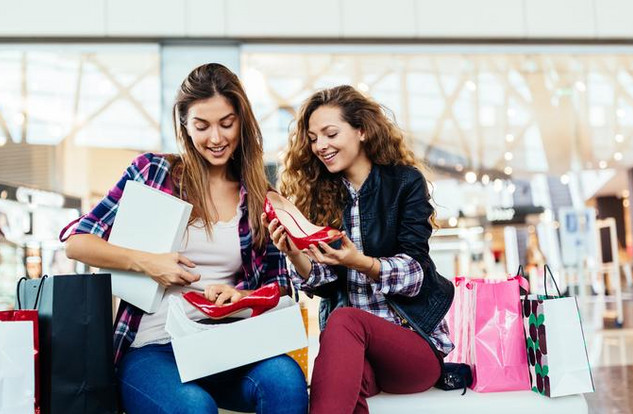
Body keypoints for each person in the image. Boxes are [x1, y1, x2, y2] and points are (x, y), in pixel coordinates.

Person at [64, 63, 307, 414]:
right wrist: (149, 263)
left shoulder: (257, 196)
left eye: (227, 123)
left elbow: (279, 285)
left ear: (242, 122)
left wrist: (240, 297)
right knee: (194, 407)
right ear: (184, 126)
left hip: (229, 343)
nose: (216, 138)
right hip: (153, 346)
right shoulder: (153, 172)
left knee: (286, 380)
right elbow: (77, 241)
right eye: (202, 125)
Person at [264, 85, 454, 414]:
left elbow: (417, 274)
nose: (320, 145)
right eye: (312, 138)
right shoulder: (322, 193)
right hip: (357, 352)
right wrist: (294, 253)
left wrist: (361, 262)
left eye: (330, 133)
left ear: (361, 130)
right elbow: (326, 283)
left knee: (345, 320)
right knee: (344, 393)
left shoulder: (404, 183)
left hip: (413, 343)